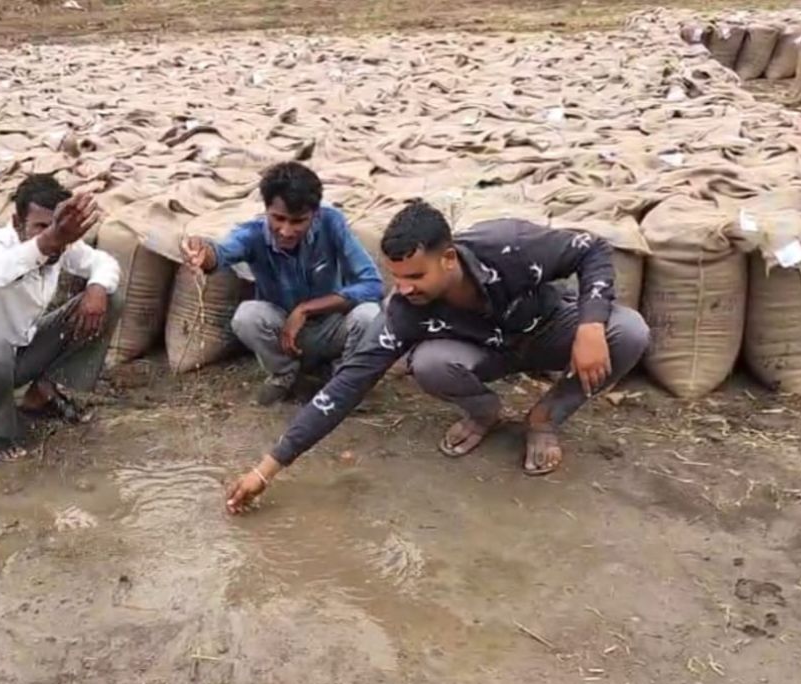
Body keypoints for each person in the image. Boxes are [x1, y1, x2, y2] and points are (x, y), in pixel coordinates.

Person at [223, 200, 652, 513]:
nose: (404, 288)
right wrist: (265, 470)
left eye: (415, 276)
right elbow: (345, 386)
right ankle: (484, 412)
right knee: (427, 363)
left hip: (546, 327)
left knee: (629, 331)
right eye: (397, 277)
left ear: (448, 258)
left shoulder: (508, 245)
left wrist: (592, 324)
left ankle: (545, 419)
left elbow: (592, 248)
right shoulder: (405, 312)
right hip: (480, 353)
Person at [0, 173, 123, 462]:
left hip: (16, 358)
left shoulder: (60, 245)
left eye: (55, 225)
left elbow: (103, 262)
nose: (50, 233)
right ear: (16, 223)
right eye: (40, 226)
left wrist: (97, 287)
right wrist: (53, 237)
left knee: (110, 298)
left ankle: (43, 395)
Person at [180, 161, 385, 404]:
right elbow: (221, 253)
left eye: (298, 221)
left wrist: (306, 309)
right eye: (278, 218)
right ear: (266, 209)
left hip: (331, 328)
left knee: (369, 315)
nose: (286, 231)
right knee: (247, 316)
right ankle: (285, 375)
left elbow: (373, 284)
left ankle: (343, 382)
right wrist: (204, 254)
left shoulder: (332, 223)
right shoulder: (253, 233)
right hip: (283, 333)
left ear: (315, 214)